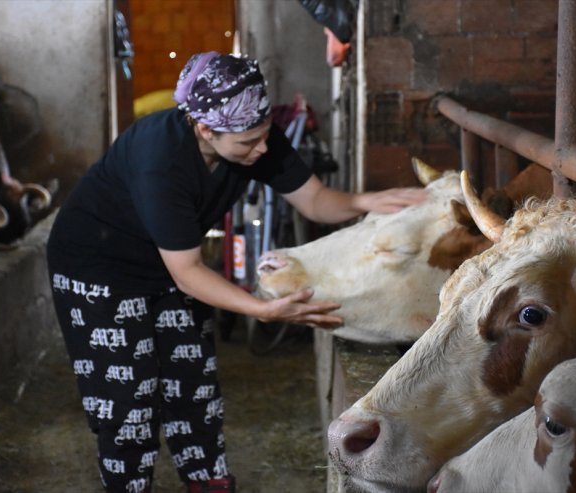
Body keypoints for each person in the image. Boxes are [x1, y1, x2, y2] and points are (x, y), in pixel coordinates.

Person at [46, 51, 427, 493]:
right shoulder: (161, 158)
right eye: (248, 142)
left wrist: (365, 202)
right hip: (98, 269)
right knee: (129, 401)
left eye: (264, 135)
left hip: (167, 263)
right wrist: (261, 310)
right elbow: (189, 272)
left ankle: (210, 485)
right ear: (205, 129)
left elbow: (314, 199)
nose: (262, 148)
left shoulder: (253, 134)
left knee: (193, 387)